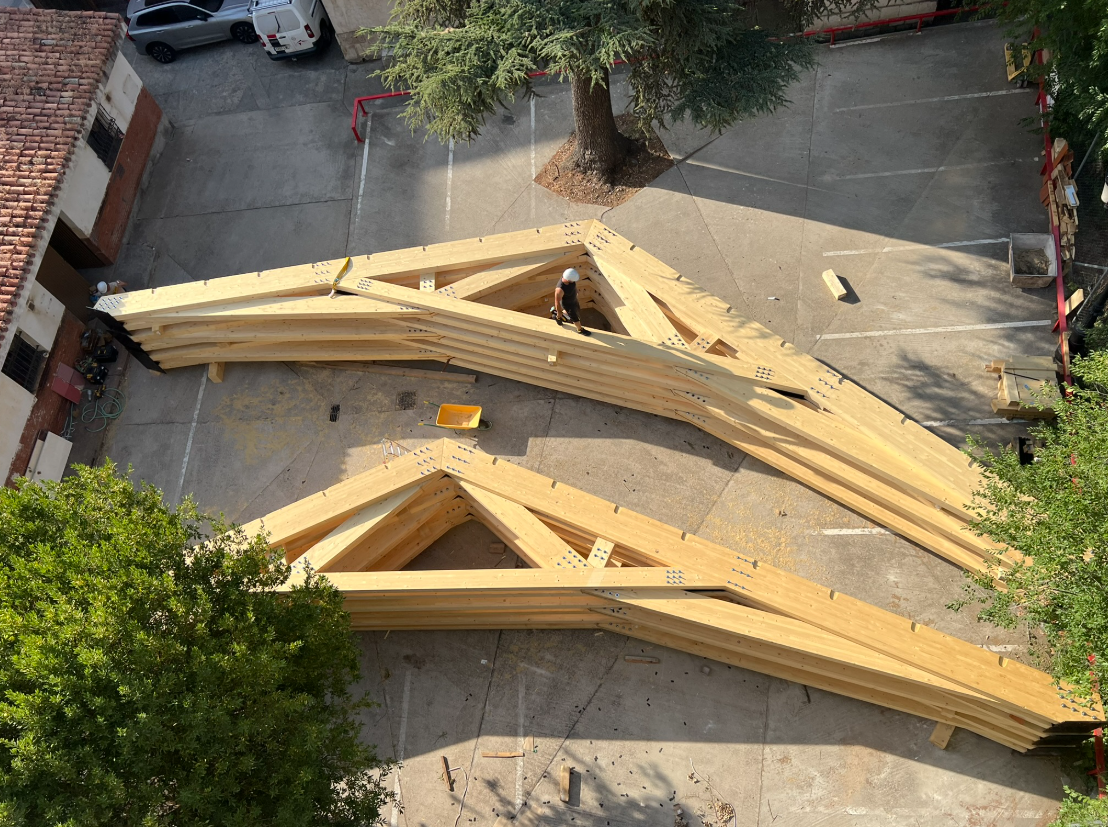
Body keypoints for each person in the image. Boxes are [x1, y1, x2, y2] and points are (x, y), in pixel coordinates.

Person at [551, 268, 590, 336]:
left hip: (573, 300)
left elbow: (573, 286)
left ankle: (558, 315)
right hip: (568, 304)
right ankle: (580, 329)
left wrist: (576, 292)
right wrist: (559, 312)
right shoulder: (560, 289)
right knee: (574, 317)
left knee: (577, 311)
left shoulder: (569, 279)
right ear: (568, 279)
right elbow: (557, 301)